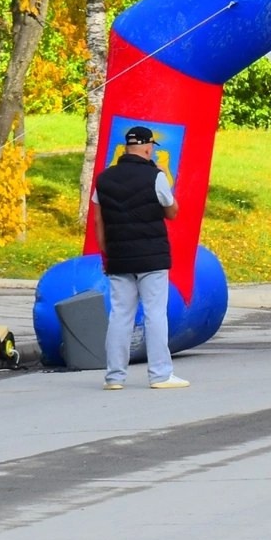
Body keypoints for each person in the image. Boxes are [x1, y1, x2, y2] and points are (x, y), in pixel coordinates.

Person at [94, 125, 189, 390]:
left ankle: (114, 377)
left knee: (120, 315)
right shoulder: (155, 176)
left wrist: (106, 253)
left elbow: (98, 220)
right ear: (148, 147)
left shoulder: (103, 179)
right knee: (155, 314)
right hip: (152, 258)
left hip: (118, 257)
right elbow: (172, 212)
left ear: (127, 148)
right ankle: (160, 375)